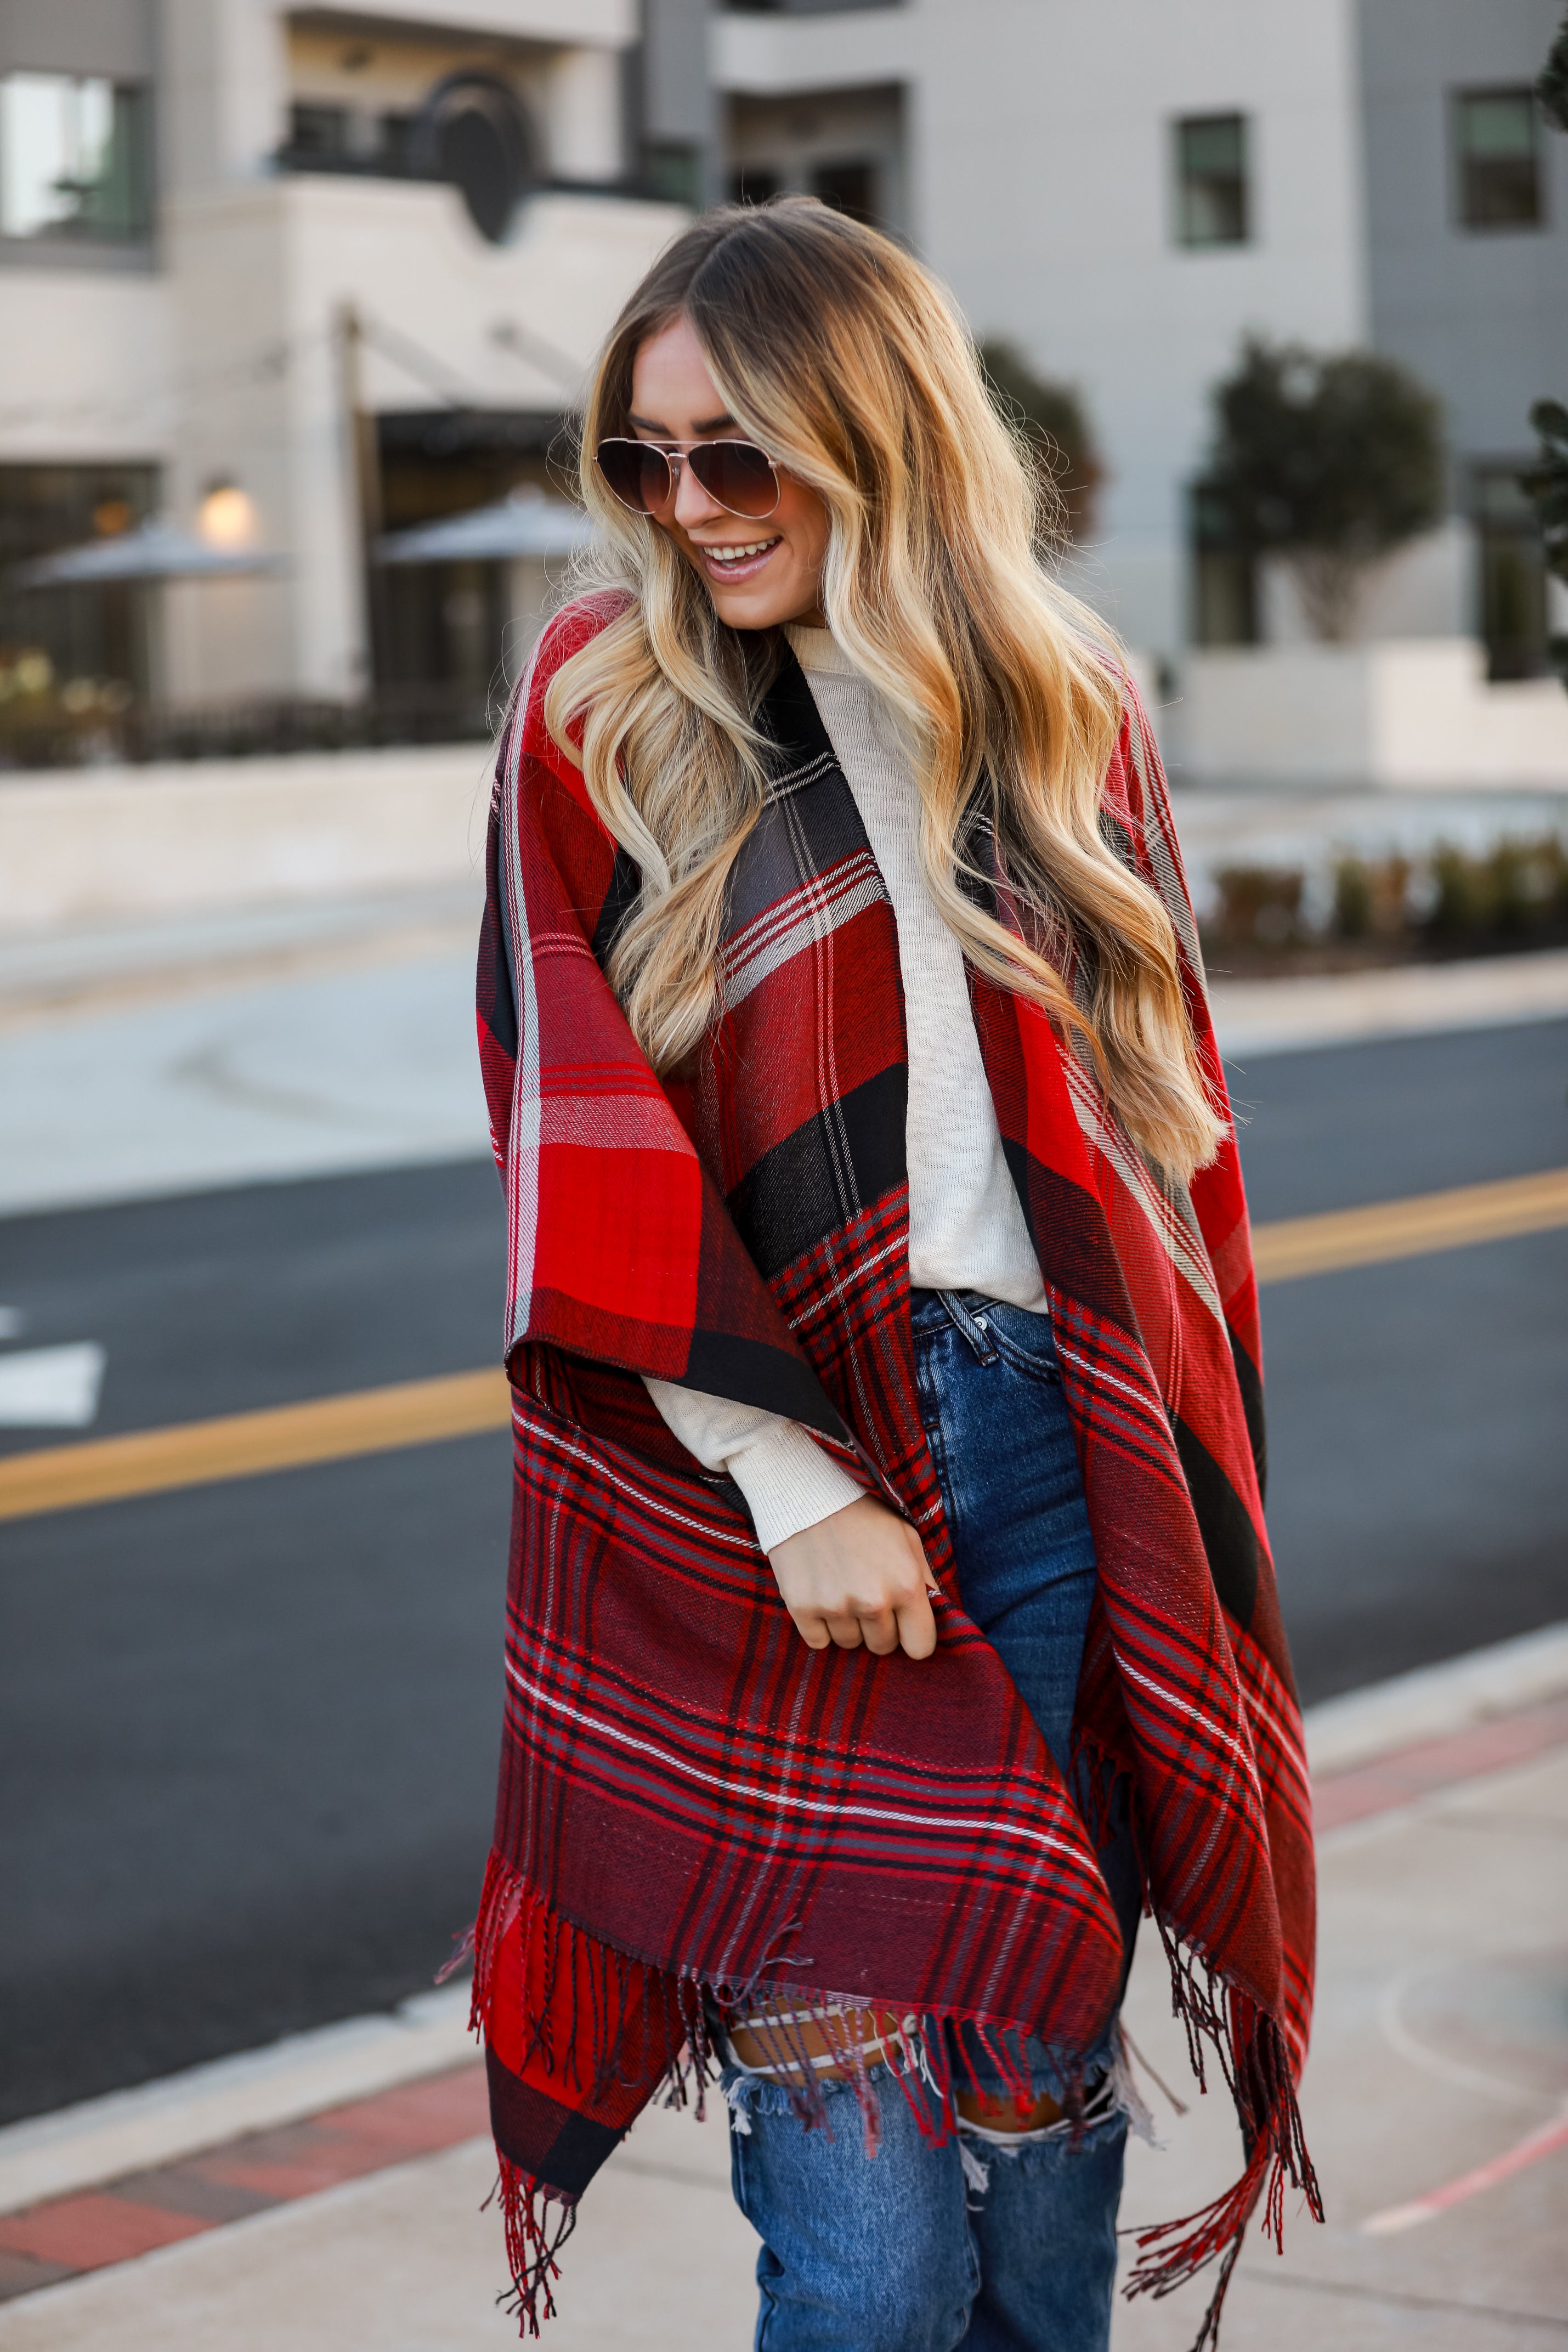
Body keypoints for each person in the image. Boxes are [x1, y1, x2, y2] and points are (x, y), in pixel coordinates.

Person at [468, 197, 1318, 2351]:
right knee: (865, 2249)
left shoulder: (1059, 695)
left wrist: (1182, 1520)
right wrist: (790, 1473)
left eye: (735, 454)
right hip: (770, 1465)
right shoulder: (608, 699)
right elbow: (568, 1124)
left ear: (878, 429)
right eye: (644, 458)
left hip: (1058, 1453)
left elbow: (1161, 1128)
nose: (684, 505)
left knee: (1040, 2170)